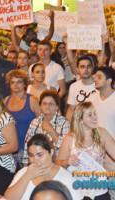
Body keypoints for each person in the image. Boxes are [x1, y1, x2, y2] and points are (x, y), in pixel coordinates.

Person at [56, 101, 115, 199]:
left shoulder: (102, 134)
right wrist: (67, 162)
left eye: (95, 114)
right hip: (78, 191)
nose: (95, 117)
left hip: (99, 190)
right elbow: (58, 163)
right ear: (80, 119)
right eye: (90, 115)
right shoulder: (70, 138)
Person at [4, 134, 82, 200]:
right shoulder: (23, 173)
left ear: (51, 152)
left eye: (40, 155)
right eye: (31, 155)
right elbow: (7, 198)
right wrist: (27, 176)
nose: (35, 160)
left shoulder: (67, 178)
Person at [22, 91, 70, 165]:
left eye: (51, 104)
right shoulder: (35, 122)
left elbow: (66, 148)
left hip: (56, 165)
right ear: (40, 106)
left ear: (57, 107)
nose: (47, 106)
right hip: (36, 164)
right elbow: (27, 146)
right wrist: (25, 167)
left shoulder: (64, 123)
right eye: (44, 104)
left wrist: (51, 130)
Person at [5, 69, 41, 165]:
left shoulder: (32, 100)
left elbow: (42, 123)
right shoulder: (6, 101)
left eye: (19, 82)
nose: (15, 85)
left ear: (25, 84)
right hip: (10, 150)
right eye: (12, 82)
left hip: (28, 149)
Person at [90, 67, 115, 200]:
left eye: (99, 77)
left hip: (112, 155)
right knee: (94, 190)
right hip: (94, 154)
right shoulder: (92, 98)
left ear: (109, 80)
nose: (95, 79)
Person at [66, 55, 97, 121]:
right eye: (82, 67)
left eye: (88, 66)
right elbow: (71, 109)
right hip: (79, 124)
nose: (86, 69)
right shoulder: (73, 86)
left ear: (92, 68)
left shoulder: (100, 85)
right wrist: (67, 127)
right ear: (77, 70)